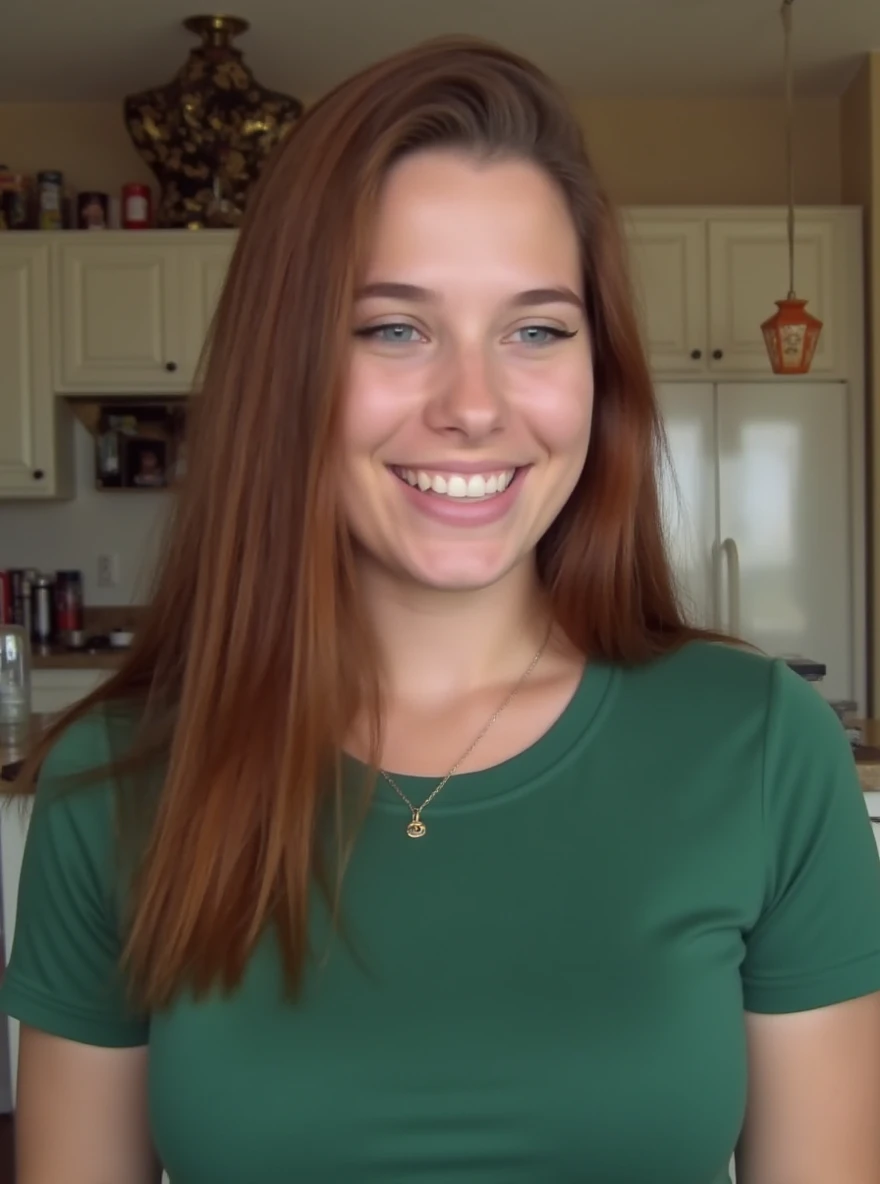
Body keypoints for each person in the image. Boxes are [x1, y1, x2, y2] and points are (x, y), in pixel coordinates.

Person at [2, 36, 879, 1184]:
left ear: (601, 371)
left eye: (535, 329)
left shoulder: (761, 746)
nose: (473, 404)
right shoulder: (117, 783)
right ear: (286, 367)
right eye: (393, 327)